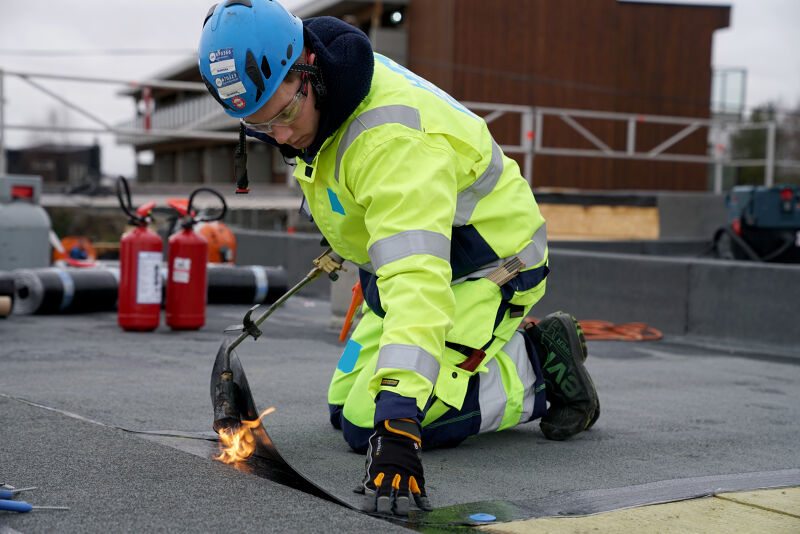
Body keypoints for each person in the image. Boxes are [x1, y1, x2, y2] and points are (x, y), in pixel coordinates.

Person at [198, 0, 599, 516]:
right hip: (410, 262)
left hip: (486, 265)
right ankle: (475, 366)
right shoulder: (319, 97)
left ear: (309, 70)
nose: (278, 136)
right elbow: (358, 197)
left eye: (283, 115)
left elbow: (417, 278)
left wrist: (398, 428)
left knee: (375, 421)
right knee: (345, 409)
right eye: (257, 126)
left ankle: (541, 367)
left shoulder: (391, 140)